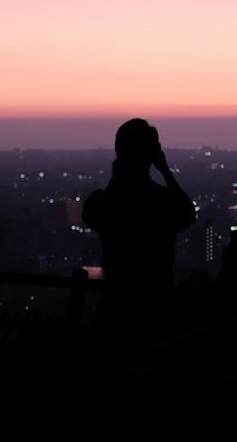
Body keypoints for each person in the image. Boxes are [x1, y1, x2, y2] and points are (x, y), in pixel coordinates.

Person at [82, 119, 196, 339]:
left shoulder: (105, 201)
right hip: (159, 307)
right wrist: (165, 170)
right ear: (152, 155)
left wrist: (118, 178)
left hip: (116, 308)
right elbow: (187, 214)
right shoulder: (162, 201)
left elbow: (93, 214)